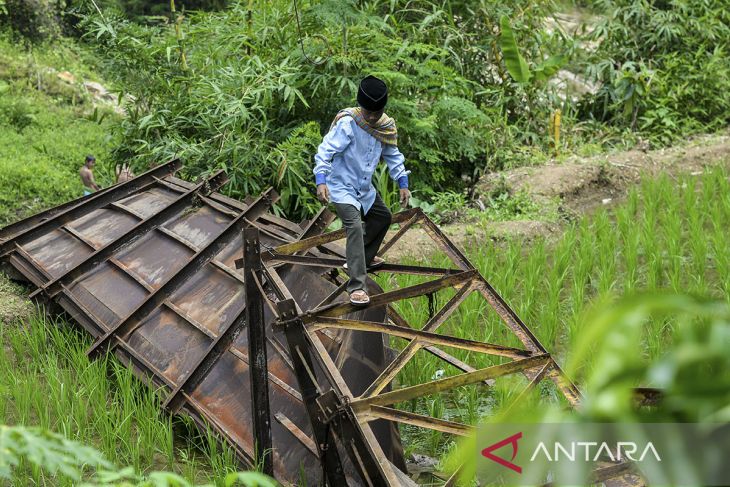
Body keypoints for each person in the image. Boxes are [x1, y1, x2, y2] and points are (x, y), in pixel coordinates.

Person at [313, 75, 411, 305]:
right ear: (361, 107)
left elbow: (393, 157)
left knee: (383, 218)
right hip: (341, 187)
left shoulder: (385, 127)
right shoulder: (348, 123)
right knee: (355, 225)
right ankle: (356, 285)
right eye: (368, 113)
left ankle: (360, 259)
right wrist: (321, 180)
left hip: (364, 190)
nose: (372, 118)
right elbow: (325, 151)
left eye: (376, 114)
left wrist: (403, 183)